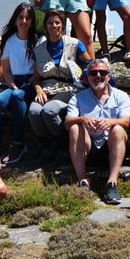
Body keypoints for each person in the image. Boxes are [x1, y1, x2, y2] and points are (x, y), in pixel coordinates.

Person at [66, 58, 130, 204]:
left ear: (109, 76)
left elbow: (127, 121)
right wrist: (82, 119)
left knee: (117, 129)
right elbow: (67, 122)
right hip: (89, 148)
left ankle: (112, 184)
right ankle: (83, 181)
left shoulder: (120, 96)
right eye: (93, 72)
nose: (98, 76)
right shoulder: (77, 98)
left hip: (113, 146)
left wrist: (111, 122)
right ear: (88, 77)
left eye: (102, 72)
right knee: (74, 127)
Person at [27, 9, 89, 159]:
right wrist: (38, 90)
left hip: (70, 87)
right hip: (47, 88)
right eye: (50, 22)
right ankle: (46, 145)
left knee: (49, 110)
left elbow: (89, 63)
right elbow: (36, 77)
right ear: (45, 25)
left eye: (57, 22)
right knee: (34, 112)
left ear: (62, 24)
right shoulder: (39, 50)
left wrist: (85, 76)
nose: (53, 25)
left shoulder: (75, 44)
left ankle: (61, 144)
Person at [0, 3, 43, 166]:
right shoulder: (9, 41)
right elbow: (6, 71)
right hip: (14, 82)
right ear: (15, 19)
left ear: (32, 21)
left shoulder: (39, 39)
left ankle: (18, 144)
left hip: (33, 81)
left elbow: (37, 70)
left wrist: (21, 88)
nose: (24, 21)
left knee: (18, 96)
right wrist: (13, 86)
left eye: (27, 18)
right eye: (21, 17)